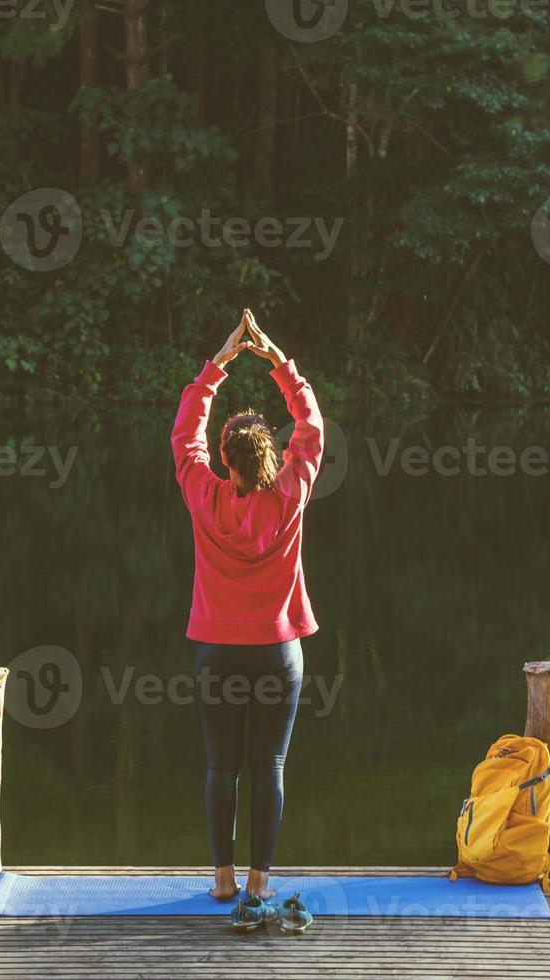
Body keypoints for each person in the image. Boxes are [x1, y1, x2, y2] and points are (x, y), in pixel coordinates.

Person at [170, 309, 323, 905]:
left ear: (225, 461)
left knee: (220, 767)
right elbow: (309, 429)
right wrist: (280, 364)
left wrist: (219, 365)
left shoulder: (203, 494)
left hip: (217, 655)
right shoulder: (289, 493)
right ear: (268, 460)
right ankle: (260, 881)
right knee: (270, 767)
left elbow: (185, 437)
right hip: (278, 653)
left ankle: (223, 880)